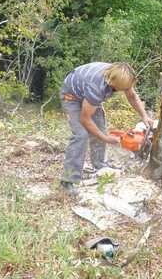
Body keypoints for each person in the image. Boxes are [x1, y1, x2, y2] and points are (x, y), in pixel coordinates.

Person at [59, 61, 152, 197]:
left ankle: (99, 166)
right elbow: (85, 120)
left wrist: (144, 116)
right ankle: (68, 180)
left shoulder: (120, 73)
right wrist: (106, 139)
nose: (123, 90)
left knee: (100, 127)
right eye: (121, 89)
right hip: (71, 96)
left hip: (87, 94)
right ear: (112, 84)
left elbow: (131, 95)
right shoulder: (96, 87)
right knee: (81, 135)